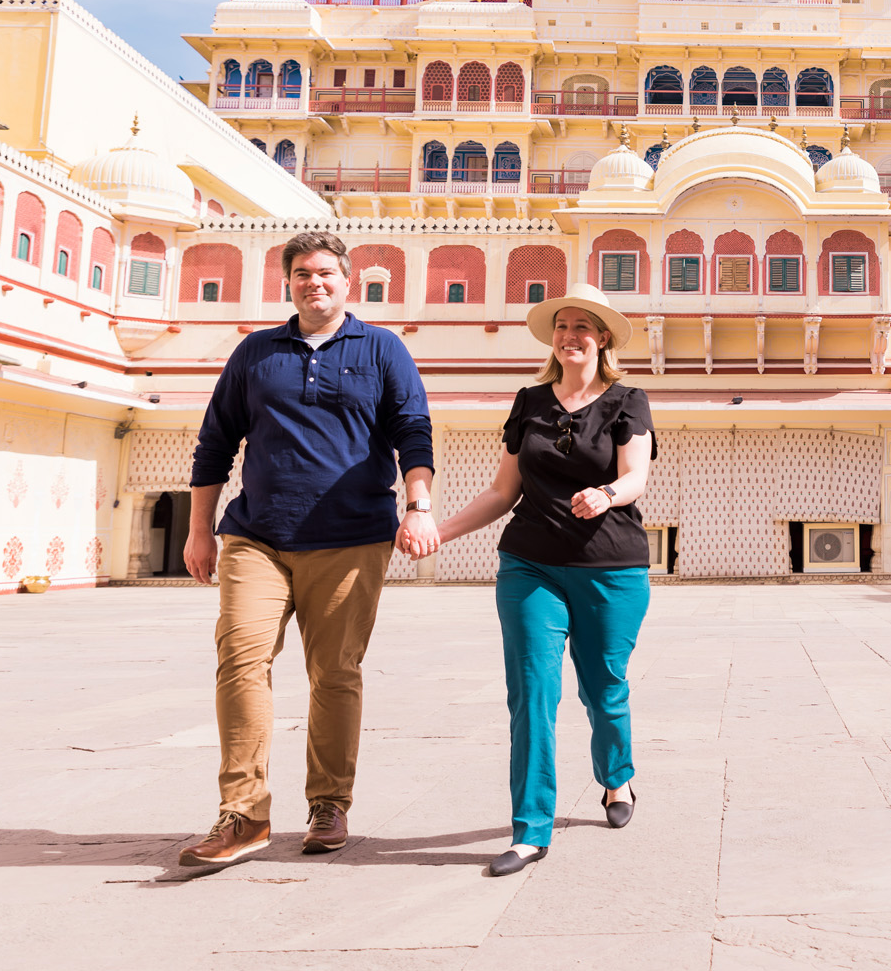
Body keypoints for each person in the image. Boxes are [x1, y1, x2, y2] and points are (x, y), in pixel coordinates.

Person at [177, 231, 437, 867]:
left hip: (350, 539)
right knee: (240, 661)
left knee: (334, 674)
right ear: (286, 282)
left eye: (325, 273)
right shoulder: (257, 352)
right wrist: (198, 528)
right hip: (257, 536)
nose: (313, 283)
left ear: (348, 281)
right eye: (300, 274)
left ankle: (328, 804)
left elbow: (413, 430)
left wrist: (419, 504)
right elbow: (216, 441)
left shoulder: (381, 348)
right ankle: (242, 814)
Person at [412, 282, 654, 877]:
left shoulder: (627, 400)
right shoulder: (528, 402)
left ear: (602, 338)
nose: (571, 335)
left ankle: (616, 778)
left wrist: (606, 495)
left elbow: (635, 477)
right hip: (530, 565)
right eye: (562, 325)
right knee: (531, 693)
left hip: (610, 567)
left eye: (583, 326)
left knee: (603, 688)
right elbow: (503, 491)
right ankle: (530, 831)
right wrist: (440, 531)